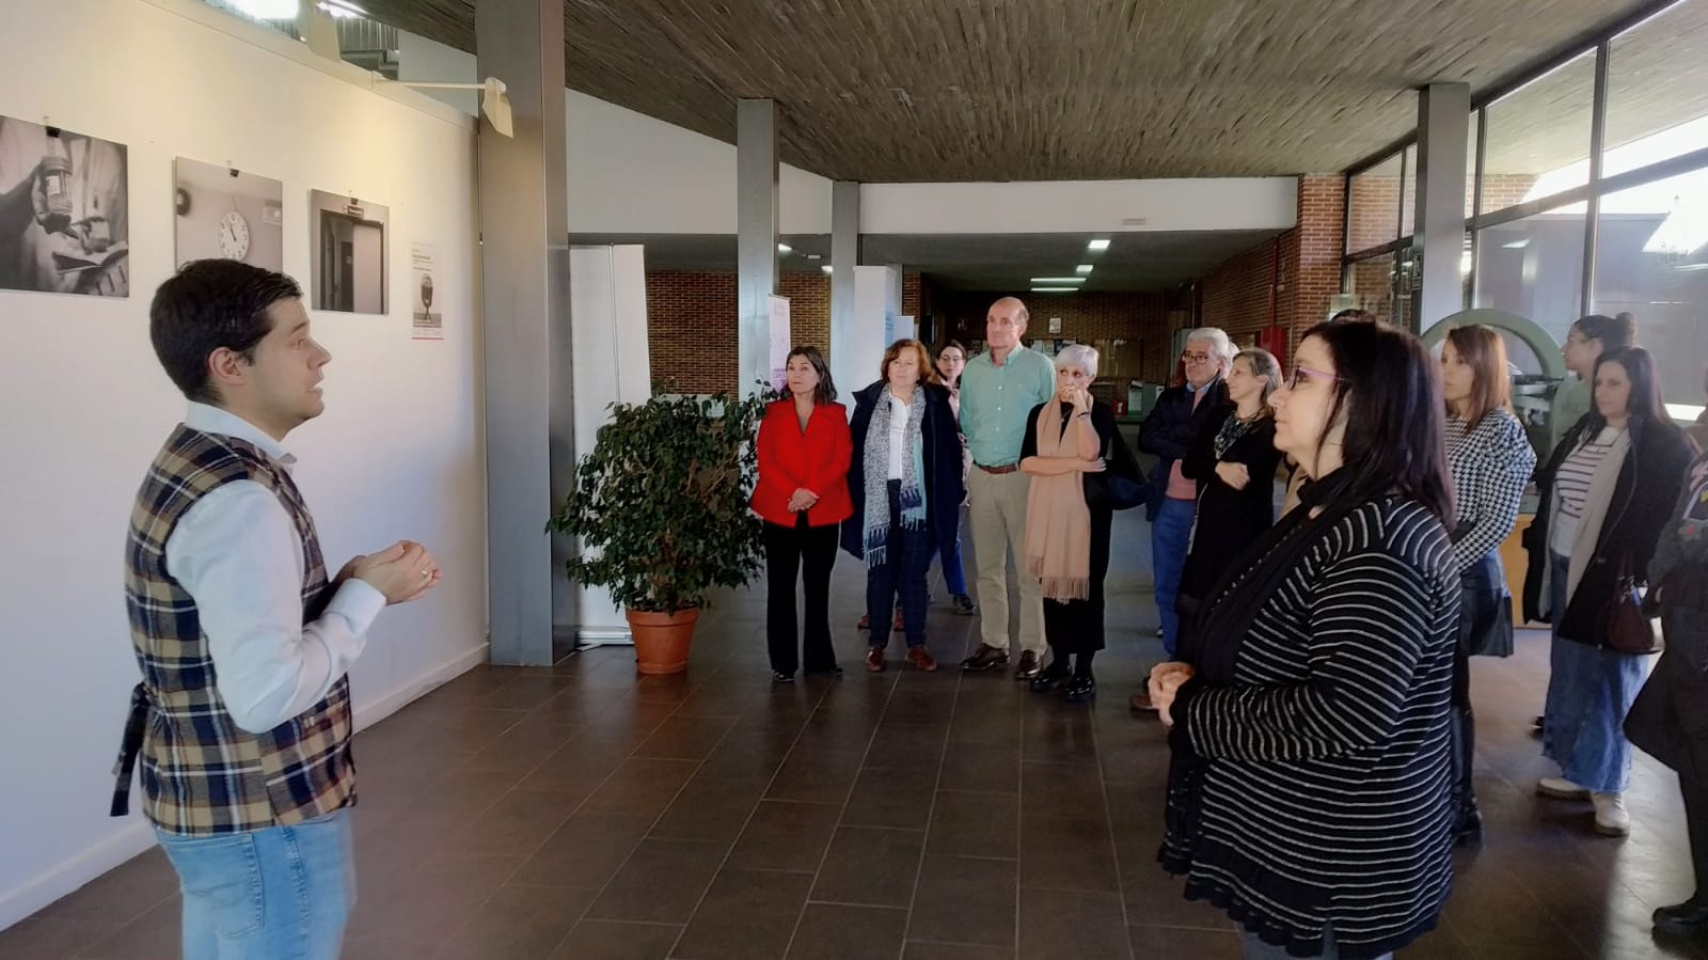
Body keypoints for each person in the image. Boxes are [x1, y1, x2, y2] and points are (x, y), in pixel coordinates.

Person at [111, 260, 444, 960]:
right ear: (230, 364)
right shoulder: (238, 499)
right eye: (297, 338)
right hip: (263, 817)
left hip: (219, 807)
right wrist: (366, 596)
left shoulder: (203, 460)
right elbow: (264, 695)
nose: (321, 355)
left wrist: (348, 581)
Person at [1149, 319, 1458, 960]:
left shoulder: (1382, 538)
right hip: (1288, 839)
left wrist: (1194, 709)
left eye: (1301, 378)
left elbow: (1348, 712)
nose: (1280, 396)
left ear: (1365, 400)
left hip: (1330, 865)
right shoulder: (1334, 505)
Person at [1522, 345, 1689, 837]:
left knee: (1614, 680)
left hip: (1615, 577)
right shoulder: (1586, 431)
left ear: (1639, 385)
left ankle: (1608, 785)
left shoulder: (1662, 444)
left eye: (1614, 383)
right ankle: (1579, 768)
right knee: (1572, 671)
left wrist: (1640, 572)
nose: (1603, 392)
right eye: (1599, 383)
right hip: (1566, 564)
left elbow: (1666, 518)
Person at [1439, 325, 1536, 847]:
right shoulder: (1453, 422)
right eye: (1444, 360)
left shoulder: (1501, 430)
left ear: (1482, 367)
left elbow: (1497, 522)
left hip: (1464, 570)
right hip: (1437, 555)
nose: (1445, 370)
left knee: (1451, 693)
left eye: (1455, 361)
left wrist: (1439, 565)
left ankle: (1461, 808)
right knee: (1434, 688)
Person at [1626, 437, 1708, 937]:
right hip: (1689, 626)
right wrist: (1658, 580)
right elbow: (1678, 534)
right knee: (1692, 761)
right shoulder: (1701, 468)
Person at [843, 339, 964, 672]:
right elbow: (852, 454)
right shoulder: (869, 402)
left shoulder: (936, 403)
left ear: (921, 369)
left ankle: (916, 644)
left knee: (914, 574)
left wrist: (953, 493)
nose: (902, 368)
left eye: (910, 363)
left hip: (919, 503)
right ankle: (877, 645)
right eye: (896, 362)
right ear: (887, 366)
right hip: (878, 499)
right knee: (879, 573)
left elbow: (950, 453)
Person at [958, 298, 1058, 679]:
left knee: (1030, 570)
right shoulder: (974, 370)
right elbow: (967, 420)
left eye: (1005, 321)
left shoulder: (1039, 367)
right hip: (982, 477)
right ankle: (995, 643)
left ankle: (1033, 647)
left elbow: (1052, 423)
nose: (995, 328)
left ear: (1021, 327)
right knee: (987, 568)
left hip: (1025, 478)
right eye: (990, 321)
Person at [1020, 345, 1119, 703]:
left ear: (1090, 378)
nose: (1069, 380)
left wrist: (1081, 412)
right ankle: (1059, 662)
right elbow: (1028, 462)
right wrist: (1072, 464)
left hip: (1087, 517)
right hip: (1047, 513)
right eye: (1064, 372)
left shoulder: (1100, 412)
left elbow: (1092, 453)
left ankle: (1084, 669)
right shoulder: (1038, 414)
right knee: (1052, 589)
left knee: (1086, 592)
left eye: (1078, 374)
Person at [752, 346, 854, 682]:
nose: (796, 374)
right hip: (781, 510)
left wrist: (810, 492)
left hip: (822, 511)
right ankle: (782, 663)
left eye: (804, 368)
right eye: (791, 368)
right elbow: (766, 460)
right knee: (780, 589)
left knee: (817, 588)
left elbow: (841, 460)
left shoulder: (836, 414)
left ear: (820, 374)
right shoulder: (773, 413)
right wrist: (793, 493)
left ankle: (819, 660)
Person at [1138, 327, 1235, 658]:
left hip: (1209, 504)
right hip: (1168, 500)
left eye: (1200, 357)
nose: (1191, 363)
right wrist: (1191, 449)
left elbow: (1215, 448)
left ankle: (1201, 654)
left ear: (1221, 363)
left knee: (1203, 584)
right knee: (1166, 580)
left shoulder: (1230, 402)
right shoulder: (1171, 397)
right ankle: (1173, 654)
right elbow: (1146, 438)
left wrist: (1182, 446)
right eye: (1188, 356)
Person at [1174, 348, 1284, 634]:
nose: (1229, 379)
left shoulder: (1272, 428)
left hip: (1245, 526)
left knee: (1231, 605)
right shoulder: (1219, 415)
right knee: (1193, 603)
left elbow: (1247, 474)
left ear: (1261, 381)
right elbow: (1189, 465)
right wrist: (1219, 468)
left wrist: (1214, 466)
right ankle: (1184, 666)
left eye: (1238, 373)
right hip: (1210, 521)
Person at [932, 340, 976, 616]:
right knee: (925, 536)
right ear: (936, 361)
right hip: (931, 470)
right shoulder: (928, 392)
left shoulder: (966, 392)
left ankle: (958, 590)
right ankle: (909, 593)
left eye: (956, 359)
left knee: (948, 533)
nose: (951, 363)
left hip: (956, 469)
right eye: (946, 358)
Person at [1550, 313, 1635, 456]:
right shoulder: (1569, 389)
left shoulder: (1623, 397)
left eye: (1571, 341)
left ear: (1596, 345)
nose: (1563, 349)